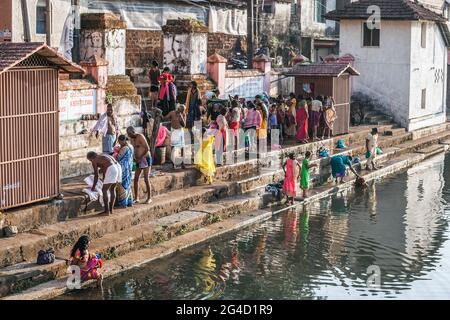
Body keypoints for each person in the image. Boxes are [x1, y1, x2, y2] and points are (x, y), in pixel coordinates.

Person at [126, 126, 152, 204]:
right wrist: (134, 158)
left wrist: (140, 157)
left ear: (133, 132)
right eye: (128, 134)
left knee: (146, 179)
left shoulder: (140, 136)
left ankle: (149, 198)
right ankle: (136, 198)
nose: (129, 136)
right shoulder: (132, 139)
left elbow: (147, 148)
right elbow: (134, 149)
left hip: (145, 158)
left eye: (129, 134)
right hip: (138, 160)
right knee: (136, 178)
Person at [164, 104, 187, 169]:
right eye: (180, 109)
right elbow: (165, 118)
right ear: (177, 109)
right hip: (174, 131)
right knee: (173, 147)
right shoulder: (172, 113)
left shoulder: (183, 115)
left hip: (180, 131)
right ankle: (173, 163)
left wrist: (181, 117)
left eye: (182, 111)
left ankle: (182, 163)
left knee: (182, 147)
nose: (180, 111)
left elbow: (184, 125)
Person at [116, 135, 134, 208]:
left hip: (123, 168)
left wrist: (117, 152)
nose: (119, 143)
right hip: (129, 166)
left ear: (123, 140)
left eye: (120, 142)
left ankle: (123, 203)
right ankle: (130, 202)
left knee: (122, 185)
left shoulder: (124, 148)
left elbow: (118, 157)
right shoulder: (131, 146)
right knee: (128, 184)